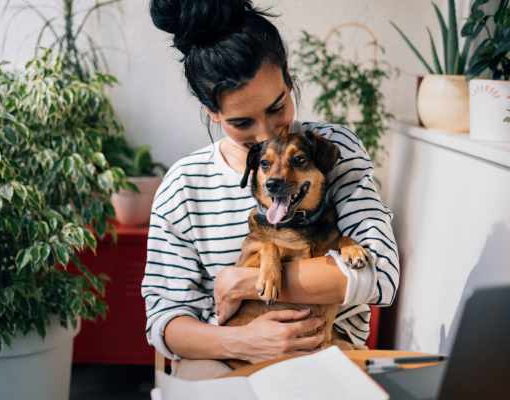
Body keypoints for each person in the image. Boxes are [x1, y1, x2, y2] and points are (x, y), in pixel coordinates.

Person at [142, 0, 399, 380]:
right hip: (226, 357)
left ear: (289, 80)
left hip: (326, 351)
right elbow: (165, 322)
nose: (267, 134)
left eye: (278, 107)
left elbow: (381, 275)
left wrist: (241, 281)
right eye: (242, 121)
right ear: (211, 111)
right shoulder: (184, 185)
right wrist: (243, 342)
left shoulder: (332, 153)